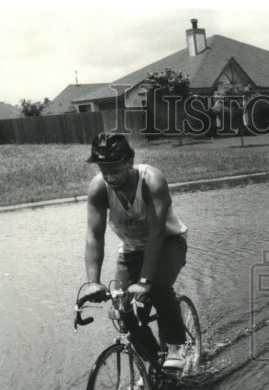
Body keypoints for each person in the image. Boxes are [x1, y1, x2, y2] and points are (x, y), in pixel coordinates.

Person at [78, 133, 189, 369]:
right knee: (121, 308)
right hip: (131, 250)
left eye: (115, 170)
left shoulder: (152, 180)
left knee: (158, 288)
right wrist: (92, 282)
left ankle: (176, 345)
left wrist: (145, 280)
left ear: (129, 162)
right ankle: (154, 363)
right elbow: (94, 236)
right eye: (103, 170)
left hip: (168, 242)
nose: (109, 177)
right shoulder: (99, 188)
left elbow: (156, 233)